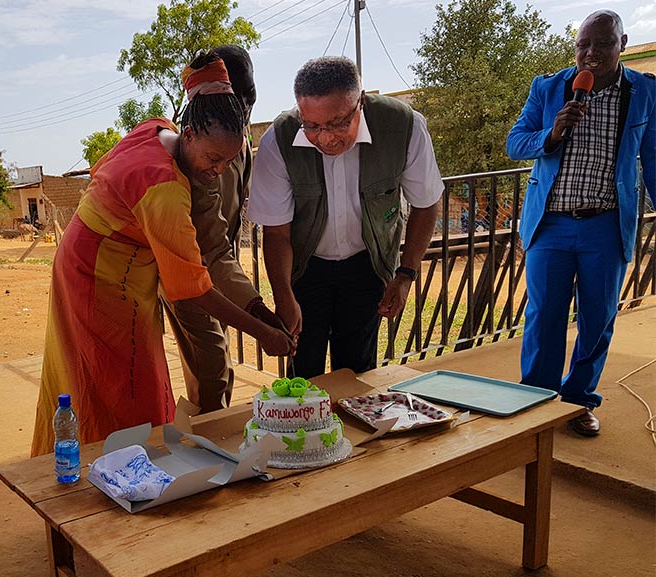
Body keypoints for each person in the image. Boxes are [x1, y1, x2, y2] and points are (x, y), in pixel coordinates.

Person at [30, 52, 293, 456]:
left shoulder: (158, 129)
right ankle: (107, 473)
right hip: (98, 275)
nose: (219, 171)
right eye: (213, 159)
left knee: (129, 376)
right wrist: (262, 333)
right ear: (189, 134)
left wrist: (259, 311)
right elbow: (193, 289)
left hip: (116, 267)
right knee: (118, 382)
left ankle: (118, 463)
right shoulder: (165, 188)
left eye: (228, 161)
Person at [506, 10, 655, 437]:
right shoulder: (549, 87)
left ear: (622, 43)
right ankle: (535, 400)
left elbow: (655, 157)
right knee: (544, 315)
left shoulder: (644, 92)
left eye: (602, 44)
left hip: (606, 226)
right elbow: (516, 143)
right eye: (582, 45)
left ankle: (578, 401)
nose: (590, 54)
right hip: (550, 225)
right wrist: (550, 135)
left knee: (598, 317)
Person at [248, 56, 443, 379]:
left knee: (356, 372)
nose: (325, 138)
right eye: (311, 125)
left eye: (338, 123)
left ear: (360, 103)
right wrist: (284, 295)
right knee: (302, 372)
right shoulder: (279, 139)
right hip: (304, 267)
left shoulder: (403, 126)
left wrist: (405, 274)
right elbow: (277, 233)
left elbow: (426, 203)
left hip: (367, 263)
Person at [159, 44, 285, 413]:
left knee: (216, 364)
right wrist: (259, 318)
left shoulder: (235, 141)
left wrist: (255, 309)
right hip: (190, 273)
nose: (243, 106)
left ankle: (208, 437)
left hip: (218, 270)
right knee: (213, 368)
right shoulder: (200, 153)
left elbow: (223, 240)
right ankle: (205, 448)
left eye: (247, 96)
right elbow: (208, 247)